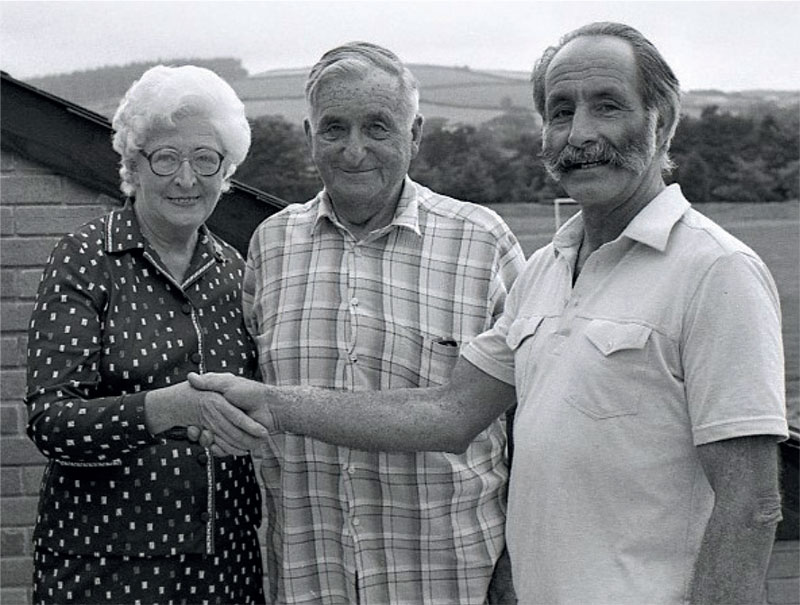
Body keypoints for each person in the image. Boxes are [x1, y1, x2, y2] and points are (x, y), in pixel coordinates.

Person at [191, 23, 789, 604]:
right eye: (560, 111)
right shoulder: (549, 269)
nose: (580, 133)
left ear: (663, 121)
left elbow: (752, 504)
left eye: (608, 106)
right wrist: (269, 404)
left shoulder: (715, 271)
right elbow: (449, 412)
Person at [217, 42, 524, 604]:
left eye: (378, 127)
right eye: (334, 128)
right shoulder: (271, 245)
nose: (354, 150)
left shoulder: (482, 243)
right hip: (312, 580)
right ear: (310, 134)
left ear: (416, 133)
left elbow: (531, 425)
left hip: (450, 580)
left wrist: (517, 566)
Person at [25, 65, 269, 604]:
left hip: (222, 568)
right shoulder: (87, 258)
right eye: (165, 157)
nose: (186, 179)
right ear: (133, 164)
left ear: (226, 169)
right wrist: (170, 408)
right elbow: (51, 421)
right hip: (104, 568)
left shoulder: (236, 270)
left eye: (206, 159)